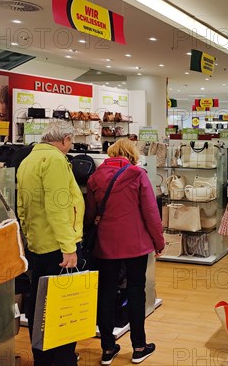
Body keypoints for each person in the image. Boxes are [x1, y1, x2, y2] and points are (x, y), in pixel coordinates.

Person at [84, 138, 164, 365]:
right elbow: (150, 212)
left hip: (104, 245)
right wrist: (159, 242)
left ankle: (108, 348)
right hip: (135, 245)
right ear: (131, 154)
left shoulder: (95, 177)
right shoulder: (137, 175)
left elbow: (90, 214)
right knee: (136, 292)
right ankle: (139, 346)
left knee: (106, 293)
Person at [16, 119, 84, 366]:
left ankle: (42, 356)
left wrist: (27, 237)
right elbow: (58, 207)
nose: (71, 146)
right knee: (62, 305)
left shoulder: (28, 160)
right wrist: (69, 247)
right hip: (57, 247)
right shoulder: (54, 160)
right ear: (65, 140)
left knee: (39, 301)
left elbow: (22, 206)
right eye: (71, 142)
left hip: (38, 243)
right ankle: (62, 358)